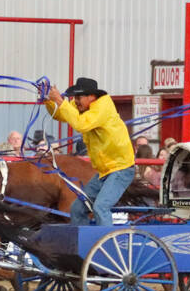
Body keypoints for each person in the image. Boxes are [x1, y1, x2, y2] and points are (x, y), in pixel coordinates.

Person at [45, 77, 135, 227]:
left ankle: (106, 244)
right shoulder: (83, 106)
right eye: (75, 97)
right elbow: (60, 115)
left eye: (78, 97)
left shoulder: (102, 107)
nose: (76, 101)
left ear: (91, 97)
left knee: (101, 207)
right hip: (104, 172)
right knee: (77, 209)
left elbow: (81, 124)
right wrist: (49, 101)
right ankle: (84, 243)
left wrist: (60, 101)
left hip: (120, 169)